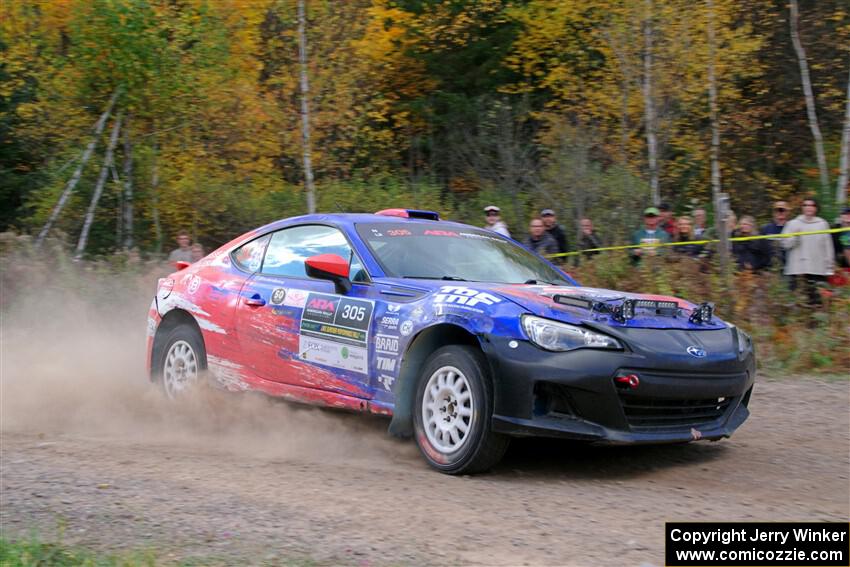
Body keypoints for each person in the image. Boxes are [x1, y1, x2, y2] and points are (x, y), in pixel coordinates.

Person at [781, 198, 835, 306]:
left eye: (811, 205)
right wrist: (795, 237)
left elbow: (828, 247)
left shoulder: (822, 224)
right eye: (805, 205)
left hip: (817, 270)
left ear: (816, 208)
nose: (808, 207)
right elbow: (785, 244)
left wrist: (829, 267)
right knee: (796, 304)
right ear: (802, 208)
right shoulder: (792, 224)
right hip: (797, 271)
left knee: (817, 304)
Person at [762, 200, 790, 268]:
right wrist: (763, 268)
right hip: (770, 269)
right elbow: (761, 250)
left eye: (782, 210)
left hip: (788, 269)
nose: (780, 212)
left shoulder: (792, 227)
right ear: (773, 213)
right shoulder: (766, 229)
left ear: (787, 212)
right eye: (777, 210)